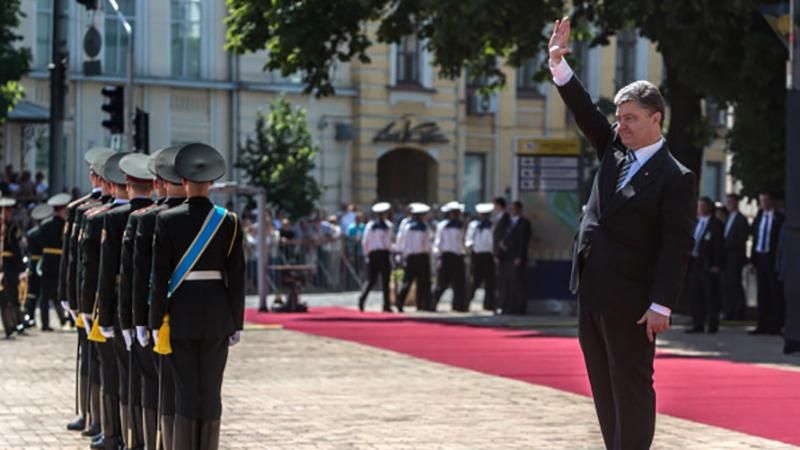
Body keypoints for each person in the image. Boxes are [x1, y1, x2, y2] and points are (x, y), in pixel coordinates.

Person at [550, 17, 696, 449]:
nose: (621, 125)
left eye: (631, 118)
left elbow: (677, 244)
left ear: (657, 119)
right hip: (592, 290)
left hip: (634, 302)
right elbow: (583, 110)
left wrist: (662, 304)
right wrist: (559, 64)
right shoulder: (613, 147)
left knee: (630, 387)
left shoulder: (675, 177)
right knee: (602, 386)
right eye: (618, 118)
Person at [149, 143, 244, 449]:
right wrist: (236, 321)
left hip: (181, 314)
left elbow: (159, 276)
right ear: (212, 183)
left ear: (184, 181)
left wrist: (154, 320)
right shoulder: (228, 221)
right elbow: (238, 276)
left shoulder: (166, 220)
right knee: (211, 389)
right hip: (218, 315)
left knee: (185, 388)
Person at [95, 152, 155, 450]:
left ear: (127, 183)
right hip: (154, 305)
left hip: (123, 303)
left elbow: (106, 274)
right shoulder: (159, 214)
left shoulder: (113, 218)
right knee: (152, 376)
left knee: (124, 374)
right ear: (154, 185)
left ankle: (124, 437)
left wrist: (103, 316)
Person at [131, 146, 187, 450]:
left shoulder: (149, 218)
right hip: (198, 316)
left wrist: (138, 320)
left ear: (159, 182)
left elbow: (140, 277)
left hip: (159, 315)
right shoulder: (217, 218)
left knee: (154, 382)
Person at [62, 147, 113, 437]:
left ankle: (97, 418)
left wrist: (71, 296)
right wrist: (68, 296)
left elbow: (76, 261)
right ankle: (91, 413)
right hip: (93, 298)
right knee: (91, 358)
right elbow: (74, 259)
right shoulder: (81, 209)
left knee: (95, 359)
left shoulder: (88, 212)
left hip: (93, 298)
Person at [82, 152, 131, 449]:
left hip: (111, 303)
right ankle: (136, 436)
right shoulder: (152, 215)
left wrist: (86, 307)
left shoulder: (101, 218)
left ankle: (113, 433)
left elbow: (93, 269)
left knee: (110, 370)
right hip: (144, 309)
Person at [686, 197, 724, 333]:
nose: (700, 208)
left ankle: (713, 324)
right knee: (696, 295)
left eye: (703, 206)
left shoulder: (716, 224)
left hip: (708, 264)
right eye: (699, 206)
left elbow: (719, 246)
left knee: (710, 295)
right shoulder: (695, 222)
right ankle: (698, 323)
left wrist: (716, 264)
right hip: (694, 263)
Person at [750, 191, 785, 335]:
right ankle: (761, 324)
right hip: (760, 257)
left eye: (766, 200)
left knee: (774, 293)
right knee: (762, 293)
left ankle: (775, 325)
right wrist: (753, 260)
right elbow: (755, 239)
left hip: (772, 258)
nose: (763, 203)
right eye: (761, 200)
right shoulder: (759, 217)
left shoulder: (779, 218)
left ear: (771, 201)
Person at [37, 194, 72, 331]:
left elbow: (39, 243)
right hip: (60, 262)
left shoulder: (44, 224)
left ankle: (45, 323)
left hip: (47, 262)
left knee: (44, 296)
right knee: (65, 293)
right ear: (63, 210)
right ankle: (70, 320)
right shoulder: (66, 225)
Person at [394, 203, 433, 312]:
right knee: (423, 282)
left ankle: (400, 302)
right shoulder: (424, 227)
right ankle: (421, 304)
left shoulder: (406, 226)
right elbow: (426, 244)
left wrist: (400, 253)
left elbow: (401, 240)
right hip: (422, 256)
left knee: (407, 281)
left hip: (410, 256)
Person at [358, 202, 394, 312]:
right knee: (380, 280)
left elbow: (365, 242)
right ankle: (385, 304)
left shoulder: (371, 225)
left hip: (374, 254)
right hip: (382, 253)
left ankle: (364, 299)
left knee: (374, 280)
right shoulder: (388, 226)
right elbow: (388, 242)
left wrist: (367, 254)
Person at [497, 201, 531, 315]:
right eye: (510, 209)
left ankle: (519, 308)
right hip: (507, 257)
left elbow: (523, 242)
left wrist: (519, 257)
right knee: (508, 284)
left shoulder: (523, 223)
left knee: (518, 284)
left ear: (519, 210)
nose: (511, 211)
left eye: (514, 209)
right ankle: (508, 307)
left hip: (516, 258)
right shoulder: (508, 223)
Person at [432, 201, 468, 312]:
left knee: (459, 283)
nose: (456, 215)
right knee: (441, 282)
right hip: (446, 255)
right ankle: (432, 303)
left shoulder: (462, 226)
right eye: (454, 213)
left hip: (458, 256)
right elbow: (438, 241)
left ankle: (459, 306)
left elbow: (462, 241)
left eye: (457, 213)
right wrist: (438, 255)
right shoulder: (442, 225)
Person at [24, 203, 53, 330]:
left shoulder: (31, 233)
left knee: (31, 294)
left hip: (33, 264)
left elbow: (27, 251)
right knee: (44, 296)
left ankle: (30, 318)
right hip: (45, 264)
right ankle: (45, 323)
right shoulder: (46, 232)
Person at [0, 197, 25, 338]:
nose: (6, 214)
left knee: (9, 296)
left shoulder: (13, 228)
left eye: (8, 211)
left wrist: (21, 268)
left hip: (8, 266)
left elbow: (16, 249)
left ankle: (12, 324)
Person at [722, 193, 749, 320]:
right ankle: (730, 311)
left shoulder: (741, 219)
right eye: (727, 201)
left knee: (735, 284)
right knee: (728, 285)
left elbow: (741, 238)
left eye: (730, 202)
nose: (728, 204)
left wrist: (727, 244)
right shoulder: (728, 218)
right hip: (726, 257)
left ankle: (738, 312)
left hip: (735, 257)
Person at [466, 202, 496, 312]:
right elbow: (469, 238)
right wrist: (470, 247)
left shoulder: (492, 225)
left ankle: (489, 304)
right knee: (474, 281)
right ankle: (467, 302)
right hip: (477, 255)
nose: (484, 216)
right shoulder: (474, 225)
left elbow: (493, 241)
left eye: (486, 214)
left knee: (490, 282)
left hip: (488, 255)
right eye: (482, 214)